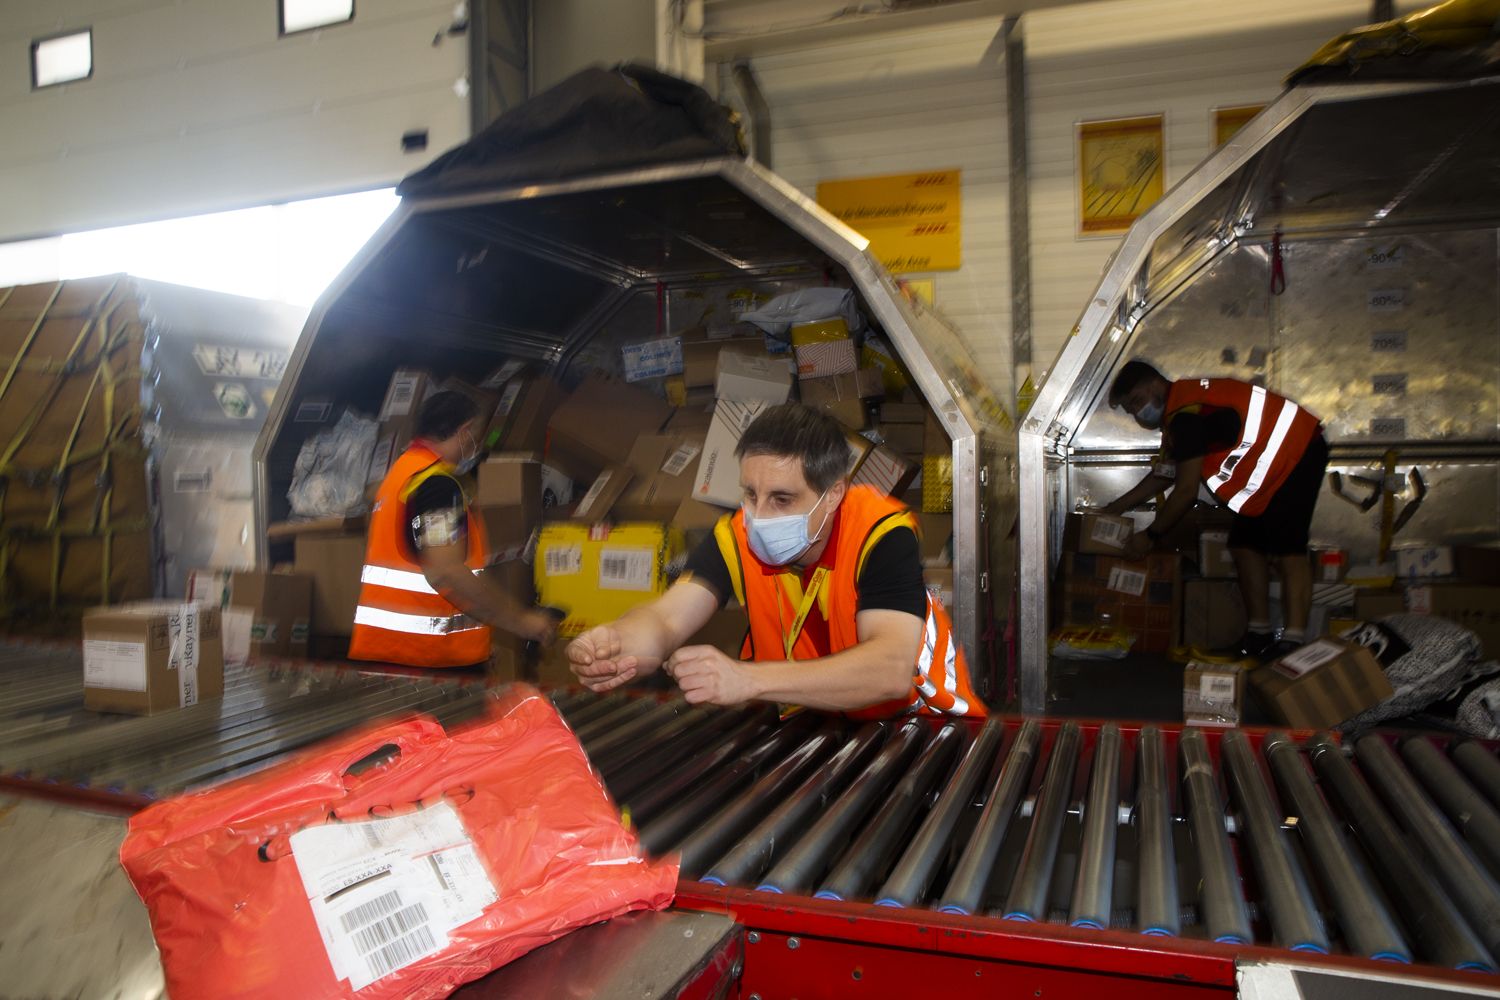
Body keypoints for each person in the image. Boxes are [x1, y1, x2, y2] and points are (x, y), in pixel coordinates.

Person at [567, 403, 985, 718]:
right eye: (751, 494)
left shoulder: (882, 534)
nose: (759, 516)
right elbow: (668, 620)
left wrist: (745, 679)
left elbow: (888, 670)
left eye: (782, 499)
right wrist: (617, 644)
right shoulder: (736, 536)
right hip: (816, 725)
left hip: (922, 730)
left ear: (834, 494)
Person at [1102, 360, 1329, 659]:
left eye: (1136, 402)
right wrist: (1113, 509)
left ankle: (1294, 641)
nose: (1138, 415)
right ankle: (1258, 635)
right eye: (1132, 411)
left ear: (1156, 384)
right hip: (1274, 467)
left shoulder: (1187, 417)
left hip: (1299, 451)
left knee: (1289, 548)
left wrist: (1151, 536)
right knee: (1244, 545)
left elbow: (1184, 492)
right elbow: (1164, 476)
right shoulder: (1181, 412)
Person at [348, 389, 555, 668]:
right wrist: (523, 622)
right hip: (424, 660)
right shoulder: (436, 485)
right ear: (465, 430)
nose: (479, 442)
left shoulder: (401, 473)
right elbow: (447, 571)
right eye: (478, 433)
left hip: (391, 653)